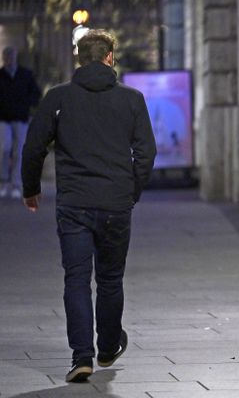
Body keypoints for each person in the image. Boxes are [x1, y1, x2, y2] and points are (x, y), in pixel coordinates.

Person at [21, 29, 157, 382]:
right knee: (111, 278)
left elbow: (34, 145)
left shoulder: (58, 98)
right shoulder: (132, 99)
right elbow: (146, 152)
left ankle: (81, 357)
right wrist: (132, 191)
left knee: (77, 280)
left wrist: (30, 188)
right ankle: (108, 346)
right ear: (110, 57)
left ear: (79, 59)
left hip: (75, 204)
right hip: (115, 204)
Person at [0, 46, 40, 199]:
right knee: (5, 148)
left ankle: (15, 184)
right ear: (4, 58)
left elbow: (36, 93)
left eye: (12, 56)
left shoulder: (25, 74)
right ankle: (4, 182)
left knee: (18, 152)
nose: (10, 59)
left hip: (21, 118)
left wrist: (26, 105)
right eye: (7, 56)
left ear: (16, 57)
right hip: (3, 118)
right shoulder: (1, 75)